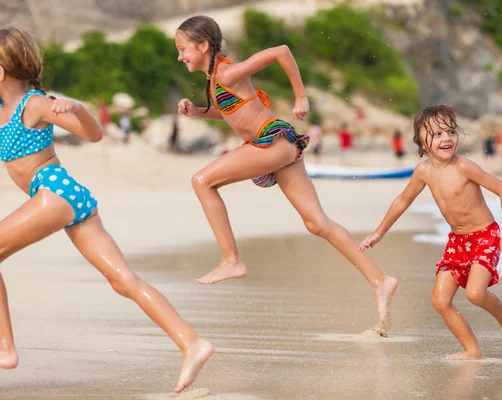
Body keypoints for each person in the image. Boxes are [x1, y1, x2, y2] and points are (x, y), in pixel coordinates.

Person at [0, 27, 212, 393]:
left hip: (53, 191)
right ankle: (191, 342)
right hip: (67, 196)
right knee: (123, 281)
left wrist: (78, 108)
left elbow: (94, 135)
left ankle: (5, 348)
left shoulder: (34, 103)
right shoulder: (5, 108)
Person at [175, 16, 397, 332]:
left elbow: (281, 51)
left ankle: (231, 260)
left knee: (202, 181)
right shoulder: (216, 79)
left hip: (271, 142)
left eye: (183, 49)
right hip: (280, 145)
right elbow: (230, 111)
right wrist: (198, 111)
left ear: (203, 45)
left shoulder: (227, 72)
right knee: (317, 223)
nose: (180, 56)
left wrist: (300, 96)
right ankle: (380, 280)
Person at [359, 105, 502, 359]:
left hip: (485, 236)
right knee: (439, 300)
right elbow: (403, 200)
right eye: (436, 134)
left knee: (475, 294)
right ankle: (472, 350)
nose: (446, 138)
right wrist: (380, 232)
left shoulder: (464, 166)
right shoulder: (423, 172)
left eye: (450, 132)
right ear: (421, 143)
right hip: (458, 242)